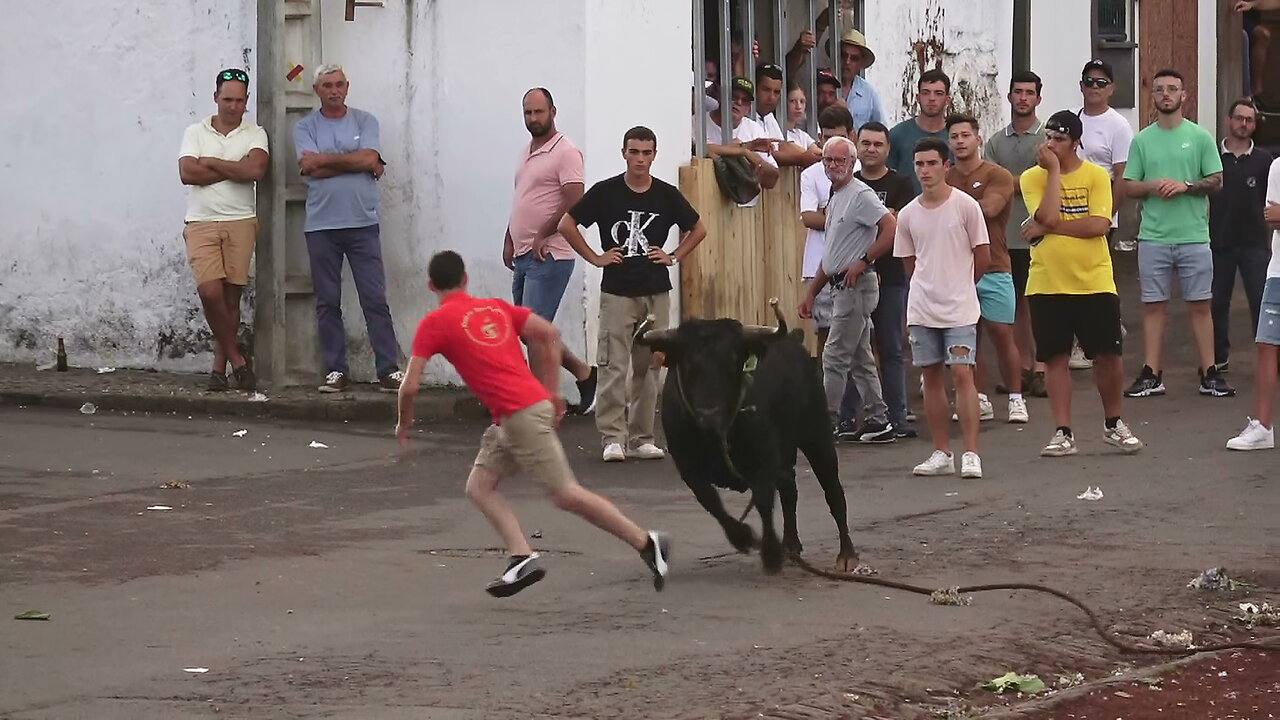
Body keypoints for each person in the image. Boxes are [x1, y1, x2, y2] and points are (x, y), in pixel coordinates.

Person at [395, 251, 671, 597]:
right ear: (466, 279)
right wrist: (551, 391)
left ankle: (647, 542)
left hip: (520, 417)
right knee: (479, 486)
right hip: (512, 418)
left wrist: (403, 422)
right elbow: (549, 334)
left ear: (431, 285)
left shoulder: (434, 323)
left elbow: (410, 386)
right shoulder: (495, 306)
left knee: (566, 494)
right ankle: (520, 556)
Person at [558, 126, 708, 462]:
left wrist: (674, 255)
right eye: (634, 151)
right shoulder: (605, 193)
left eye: (646, 152)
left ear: (654, 155)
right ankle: (613, 436)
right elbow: (567, 224)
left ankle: (642, 437)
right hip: (617, 291)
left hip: (656, 291)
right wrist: (595, 257)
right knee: (613, 364)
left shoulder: (667, 195)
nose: (640, 159)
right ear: (623, 153)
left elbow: (698, 228)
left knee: (650, 365)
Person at [1021, 111, 1144, 457]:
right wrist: (1055, 173)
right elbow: (1044, 216)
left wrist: (1048, 227)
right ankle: (1063, 431)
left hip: (1094, 279)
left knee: (1109, 354)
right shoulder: (1033, 178)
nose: (1050, 145)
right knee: (1055, 357)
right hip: (1047, 281)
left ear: (1076, 142)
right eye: (1048, 138)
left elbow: (1098, 225)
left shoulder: (1095, 176)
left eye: (1059, 139)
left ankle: (1113, 423)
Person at [295, 65, 404, 393]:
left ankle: (388, 369)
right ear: (317, 90)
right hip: (321, 226)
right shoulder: (304, 126)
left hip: (362, 223)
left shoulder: (365, 121)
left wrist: (329, 161)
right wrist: (356, 162)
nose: (334, 90)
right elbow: (308, 166)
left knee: (374, 298)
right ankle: (335, 370)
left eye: (339, 84)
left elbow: (369, 158)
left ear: (347, 86)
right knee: (328, 301)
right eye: (327, 85)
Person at [1123, 68, 1229, 398]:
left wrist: (1186, 186)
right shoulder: (1142, 139)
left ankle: (1209, 372)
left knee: (1200, 304)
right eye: (1159, 90)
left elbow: (1217, 180)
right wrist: (1152, 185)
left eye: (1172, 89)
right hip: (1154, 236)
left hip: (1194, 236)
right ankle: (1152, 373)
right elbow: (1129, 186)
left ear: (1184, 95)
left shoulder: (1199, 137)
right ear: (1152, 96)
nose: (1165, 94)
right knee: (1153, 307)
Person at [894, 137, 990, 478]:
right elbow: (909, 264)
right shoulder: (907, 215)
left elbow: (982, 255)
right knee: (930, 378)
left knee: (963, 374)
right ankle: (941, 451)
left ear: (945, 166)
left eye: (931, 163)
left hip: (960, 307)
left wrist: (961, 286)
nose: (925, 170)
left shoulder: (966, 206)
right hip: (922, 309)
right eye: (919, 164)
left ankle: (971, 453)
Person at [502, 88, 597, 413]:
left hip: (551, 254)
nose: (533, 119)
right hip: (524, 254)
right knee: (530, 332)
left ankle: (536, 405)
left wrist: (544, 234)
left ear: (553, 111)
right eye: (528, 113)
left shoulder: (565, 152)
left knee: (533, 330)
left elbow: (576, 200)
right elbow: (523, 196)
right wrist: (509, 236)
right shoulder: (526, 151)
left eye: (538, 112)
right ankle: (584, 374)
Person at [798, 136, 896, 444]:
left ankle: (823, 422)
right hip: (840, 285)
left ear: (852, 163)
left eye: (840, 160)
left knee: (834, 356)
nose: (833, 166)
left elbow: (890, 226)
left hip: (857, 285)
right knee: (859, 356)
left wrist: (864, 260)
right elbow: (832, 253)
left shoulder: (860, 194)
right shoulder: (835, 195)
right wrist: (812, 292)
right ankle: (880, 419)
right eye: (828, 160)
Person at [177, 68, 266, 392]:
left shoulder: (255, 133)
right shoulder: (195, 131)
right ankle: (238, 359)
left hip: (241, 220)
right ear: (215, 97)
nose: (232, 106)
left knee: (231, 298)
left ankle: (219, 369)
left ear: (246, 101)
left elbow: (255, 169)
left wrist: (212, 163)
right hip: (201, 221)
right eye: (227, 99)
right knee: (209, 291)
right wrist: (234, 168)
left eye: (239, 100)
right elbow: (187, 172)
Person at [945, 113, 1027, 425]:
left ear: (978, 139)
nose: (960, 141)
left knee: (1002, 333)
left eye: (966, 135)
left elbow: (990, 208)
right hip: (956, 269)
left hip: (994, 265)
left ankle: (1016, 398)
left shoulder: (998, 174)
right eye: (954, 136)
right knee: (966, 336)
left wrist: (947, 205)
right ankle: (976, 397)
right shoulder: (944, 175)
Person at [849, 120, 917, 438]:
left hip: (889, 275)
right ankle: (847, 418)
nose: (871, 149)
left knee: (890, 347)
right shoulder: (848, 183)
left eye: (878, 144)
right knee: (851, 347)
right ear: (856, 145)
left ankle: (897, 416)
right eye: (866, 143)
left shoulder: (903, 183)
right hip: (851, 278)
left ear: (888, 149)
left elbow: (899, 223)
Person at [985, 70, 1049, 398]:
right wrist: (1028, 179)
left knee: (1044, 303)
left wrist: (1013, 181)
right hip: (1007, 236)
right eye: (1017, 92)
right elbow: (992, 184)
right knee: (1018, 306)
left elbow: (1051, 179)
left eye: (1029, 92)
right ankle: (1023, 367)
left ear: (1038, 97)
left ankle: (1044, 368)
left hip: (1044, 233)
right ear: (1009, 97)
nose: (1023, 97)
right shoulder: (995, 142)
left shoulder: (1048, 138)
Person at [1210, 99, 1273, 373]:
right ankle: (1217, 358)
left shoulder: (1264, 160)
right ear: (1229, 120)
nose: (1244, 124)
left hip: (1255, 242)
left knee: (1262, 302)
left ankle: (1269, 359)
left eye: (1249, 120)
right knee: (1216, 302)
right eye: (1239, 118)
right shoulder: (1211, 155)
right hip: (1218, 240)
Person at [1225, 154, 1280, 451]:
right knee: (1266, 345)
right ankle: (1263, 426)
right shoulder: (1278, 167)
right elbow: (1271, 216)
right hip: (1278, 272)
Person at [799, 106, 861, 356]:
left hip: (855, 264)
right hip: (818, 263)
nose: (831, 144)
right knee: (825, 335)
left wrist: (828, 213)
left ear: (852, 136)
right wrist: (844, 216)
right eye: (826, 138)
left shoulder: (860, 172)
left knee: (861, 336)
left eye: (840, 138)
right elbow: (808, 217)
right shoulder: (811, 174)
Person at [1077, 59, 1136, 256]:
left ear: (1111, 89)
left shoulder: (1119, 125)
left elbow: (1122, 176)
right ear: (1081, 86)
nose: (1095, 86)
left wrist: (1106, 215)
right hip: (1069, 207)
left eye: (1101, 83)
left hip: (1099, 207)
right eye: (1089, 81)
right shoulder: (1071, 118)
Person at [705, 77, 780, 205]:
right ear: (722, 97)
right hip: (709, 205)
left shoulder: (753, 128)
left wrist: (757, 161)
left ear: (749, 108)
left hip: (745, 215)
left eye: (745, 101)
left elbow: (772, 180)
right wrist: (744, 150)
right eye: (733, 97)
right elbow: (703, 149)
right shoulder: (699, 122)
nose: (738, 102)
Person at [887, 70, 952, 194]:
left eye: (938, 93)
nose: (932, 99)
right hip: (907, 209)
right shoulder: (897, 135)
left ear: (947, 99)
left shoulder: (956, 137)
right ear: (918, 98)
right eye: (926, 93)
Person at [836, 29, 887, 131]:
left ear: (861, 63)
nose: (847, 62)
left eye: (854, 58)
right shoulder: (825, 86)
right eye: (844, 55)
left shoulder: (868, 92)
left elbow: (881, 128)